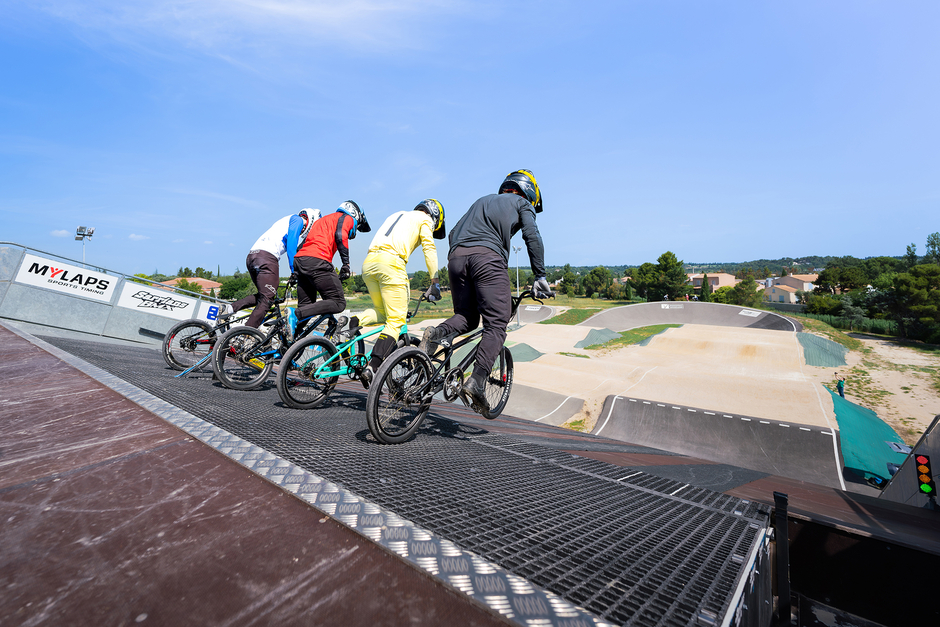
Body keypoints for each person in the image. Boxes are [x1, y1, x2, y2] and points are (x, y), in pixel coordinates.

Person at [420, 169, 551, 414]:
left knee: (467, 317)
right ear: (530, 191)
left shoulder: (481, 201)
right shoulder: (522, 203)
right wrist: (540, 275)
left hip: (456, 258)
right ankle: (477, 381)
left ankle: (436, 334)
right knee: (496, 325)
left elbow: (452, 233)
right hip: (487, 259)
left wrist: (465, 254)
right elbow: (532, 235)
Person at [348, 199, 446, 387]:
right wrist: (435, 282)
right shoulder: (424, 219)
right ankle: (374, 366)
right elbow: (429, 248)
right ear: (434, 216)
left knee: (382, 312)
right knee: (396, 321)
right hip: (391, 263)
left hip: (369, 263)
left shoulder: (398, 214)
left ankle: (354, 322)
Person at [224, 209, 319, 328]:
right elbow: (291, 246)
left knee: (264, 295)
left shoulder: (286, 220)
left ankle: (229, 308)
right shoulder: (298, 220)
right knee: (267, 300)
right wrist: (294, 270)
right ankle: (245, 335)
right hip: (266, 258)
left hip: (252, 256)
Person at [292, 201, 370, 337]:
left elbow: (302, 245)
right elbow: (341, 235)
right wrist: (346, 265)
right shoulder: (346, 218)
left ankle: (289, 341)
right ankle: (295, 314)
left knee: (307, 307)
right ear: (355, 214)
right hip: (318, 261)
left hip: (300, 261)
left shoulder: (322, 221)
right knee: (338, 302)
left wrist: (295, 272)